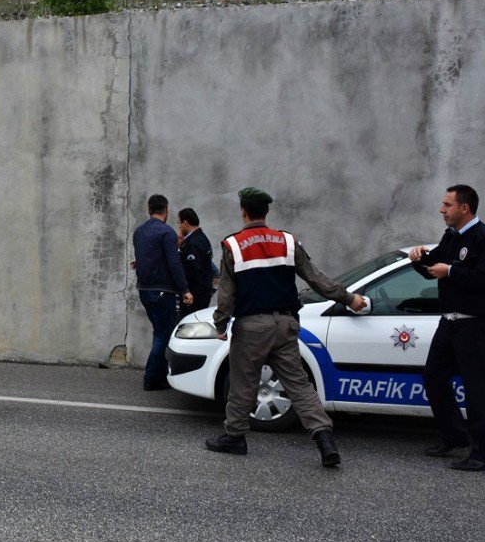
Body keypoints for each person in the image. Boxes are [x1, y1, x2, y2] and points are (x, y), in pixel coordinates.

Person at [207, 187, 367, 467]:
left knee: (244, 385)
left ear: (243, 211)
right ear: (266, 212)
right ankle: (324, 439)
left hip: (251, 326)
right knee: (298, 385)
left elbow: (227, 293)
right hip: (287, 324)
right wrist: (349, 298)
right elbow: (317, 279)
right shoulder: (288, 241)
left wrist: (220, 322)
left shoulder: (232, 245)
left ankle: (234, 437)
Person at [409, 184, 485, 471]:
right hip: (449, 323)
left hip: (476, 324)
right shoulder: (451, 237)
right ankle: (454, 435)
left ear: (465, 208)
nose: (442, 209)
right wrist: (418, 259)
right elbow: (433, 268)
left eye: (447, 205)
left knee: (477, 389)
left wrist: (450, 271)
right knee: (433, 376)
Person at [132, 194, 194, 391]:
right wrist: (184, 289)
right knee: (164, 334)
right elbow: (173, 263)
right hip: (162, 291)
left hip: (144, 290)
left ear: (150, 209)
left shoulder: (139, 232)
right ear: (166, 210)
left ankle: (158, 375)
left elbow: (144, 258)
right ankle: (151, 378)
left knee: (159, 332)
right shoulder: (166, 233)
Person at [177, 208, 216, 318]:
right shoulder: (201, 238)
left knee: (189, 327)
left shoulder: (194, 243)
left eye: (179, 223)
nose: (179, 227)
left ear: (185, 223)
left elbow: (192, 271)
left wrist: (184, 289)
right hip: (200, 294)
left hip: (194, 296)